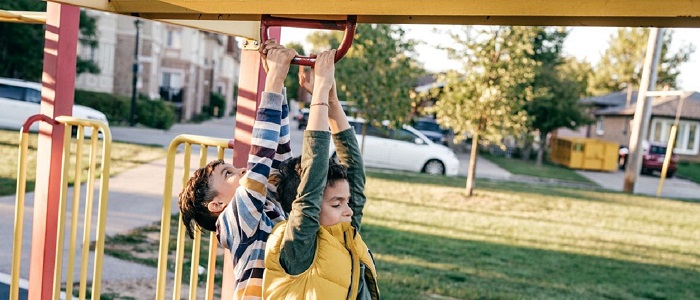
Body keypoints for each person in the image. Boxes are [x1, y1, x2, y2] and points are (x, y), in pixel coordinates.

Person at [177, 40, 296, 299]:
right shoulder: (234, 221)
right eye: (228, 174)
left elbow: (279, 157)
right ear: (217, 204)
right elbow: (261, 156)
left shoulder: (262, 206)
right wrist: (274, 79)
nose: (242, 170)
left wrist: (279, 83)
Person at [262, 50, 380, 299]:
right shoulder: (298, 247)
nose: (348, 209)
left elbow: (355, 173)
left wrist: (332, 100)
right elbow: (312, 184)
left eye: (345, 202)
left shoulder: (344, 231)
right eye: (336, 203)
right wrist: (319, 95)